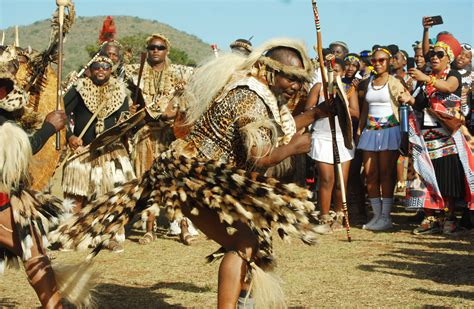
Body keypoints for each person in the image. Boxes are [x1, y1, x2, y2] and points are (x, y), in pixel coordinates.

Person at [53, 38, 330, 308]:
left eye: (301, 81)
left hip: (201, 177)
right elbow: (261, 157)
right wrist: (296, 147)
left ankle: (245, 300)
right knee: (245, 243)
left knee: (253, 240)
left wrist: (318, 112)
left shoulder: (258, 93)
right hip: (192, 178)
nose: (296, 87)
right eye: (291, 79)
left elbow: (276, 130)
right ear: (271, 71)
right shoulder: (249, 98)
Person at [0, 46, 93, 308]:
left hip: (9, 198)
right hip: (4, 202)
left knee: (34, 252)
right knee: (33, 253)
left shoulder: (8, 110)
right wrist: (49, 128)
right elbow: (17, 151)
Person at [125, 34, 196, 245]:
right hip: (145, 135)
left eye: (160, 47)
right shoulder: (133, 74)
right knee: (147, 180)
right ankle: (149, 227)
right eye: (152, 47)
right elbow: (128, 105)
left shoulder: (179, 75)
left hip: (170, 136)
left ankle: (183, 226)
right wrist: (130, 109)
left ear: (167, 51)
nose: (156, 51)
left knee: (175, 180)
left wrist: (175, 111)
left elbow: (187, 106)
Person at [62, 56, 135, 251]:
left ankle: (107, 236)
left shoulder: (120, 91)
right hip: (83, 149)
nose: (101, 70)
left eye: (105, 67)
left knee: (112, 196)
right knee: (76, 193)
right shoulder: (79, 89)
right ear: (90, 69)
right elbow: (59, 114)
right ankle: (71, 234)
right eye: (96, 67)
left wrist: (130, 120)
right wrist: (70, 137)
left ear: (111, 70)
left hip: (112, 150)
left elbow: (125, 122)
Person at [407, 38, 473, 234]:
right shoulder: (426, 80)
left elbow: (448, 88)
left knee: (447, 178)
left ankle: (450, 219)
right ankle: (433, 218)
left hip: (448, 136)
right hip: (426, 136)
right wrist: (409, 99)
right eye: (432, 55)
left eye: (439, 54)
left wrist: (426, 78)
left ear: (449, 58)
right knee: (427, 177)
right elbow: (420, 105)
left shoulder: (453, 75)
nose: (434, 57)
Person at [357, 47, 411, 231]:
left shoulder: (395, 82)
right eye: (374, 61)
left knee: (386, 174)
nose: (378, 63)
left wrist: (405, 134)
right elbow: (365, 108)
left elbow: (404, 106)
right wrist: (359, 129)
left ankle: (386, 217)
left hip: (389, 130)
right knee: (371, 174)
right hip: (370, 131)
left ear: (388, 62)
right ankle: (377, 215)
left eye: (381, 60)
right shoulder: (368, 82)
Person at [308, 56, 359, 233]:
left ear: (343, 72)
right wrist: (323, 107)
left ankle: (339, 215)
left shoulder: (348, 89)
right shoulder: (319, 88)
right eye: (329, 71)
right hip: (322, 136)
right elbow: (309, 111)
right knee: (327, 179)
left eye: (336, 70)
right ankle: (323, 216)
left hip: (342, 137)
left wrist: (340, 105)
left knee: (341, 182)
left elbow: (356, 113)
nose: (332, 74)